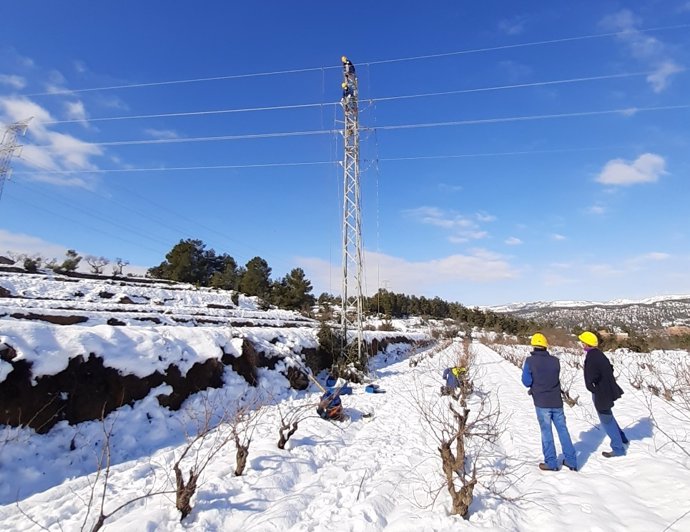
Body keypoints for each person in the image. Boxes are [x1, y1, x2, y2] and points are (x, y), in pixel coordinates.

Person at [522, 332, 577, 471]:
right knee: (563, 431)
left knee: (546, 432)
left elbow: (526, 381)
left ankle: (551, 463)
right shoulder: (555, 361)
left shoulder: (529, 361)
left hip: (541, 402)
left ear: (534, 346)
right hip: (556, 401)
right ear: (546, 346)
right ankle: (571, 460)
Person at [579, 331, 628, 458]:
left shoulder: (591, 358)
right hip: (607, 390)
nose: (581, 343)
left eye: (582, 341)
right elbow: (610, 368)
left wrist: (592, 387)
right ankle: (622, 438)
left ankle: (618, 448)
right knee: (609, 416)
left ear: (586, 344)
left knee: (606, 419)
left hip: (601, 393)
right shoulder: (599, 354)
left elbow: (592, 377)